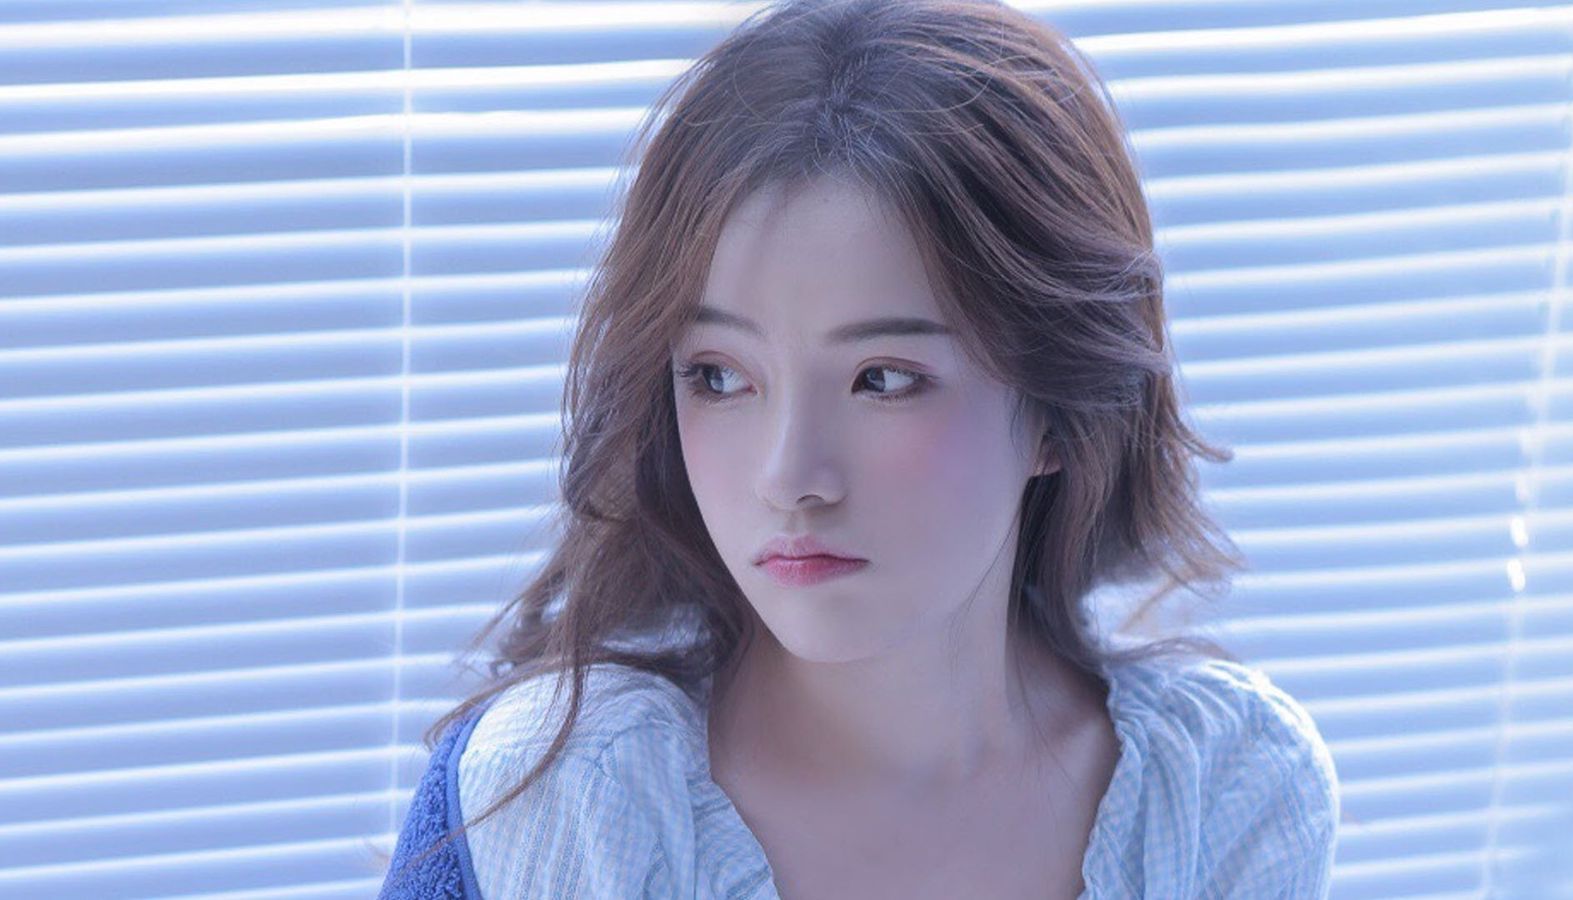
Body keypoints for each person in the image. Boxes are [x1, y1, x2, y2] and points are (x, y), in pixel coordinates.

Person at [377, 0, 1341, 896]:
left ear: (1059, 410)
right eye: (718, 376)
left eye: (882, 379)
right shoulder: (560, 800)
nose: (789, 478)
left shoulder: (1226, 789)